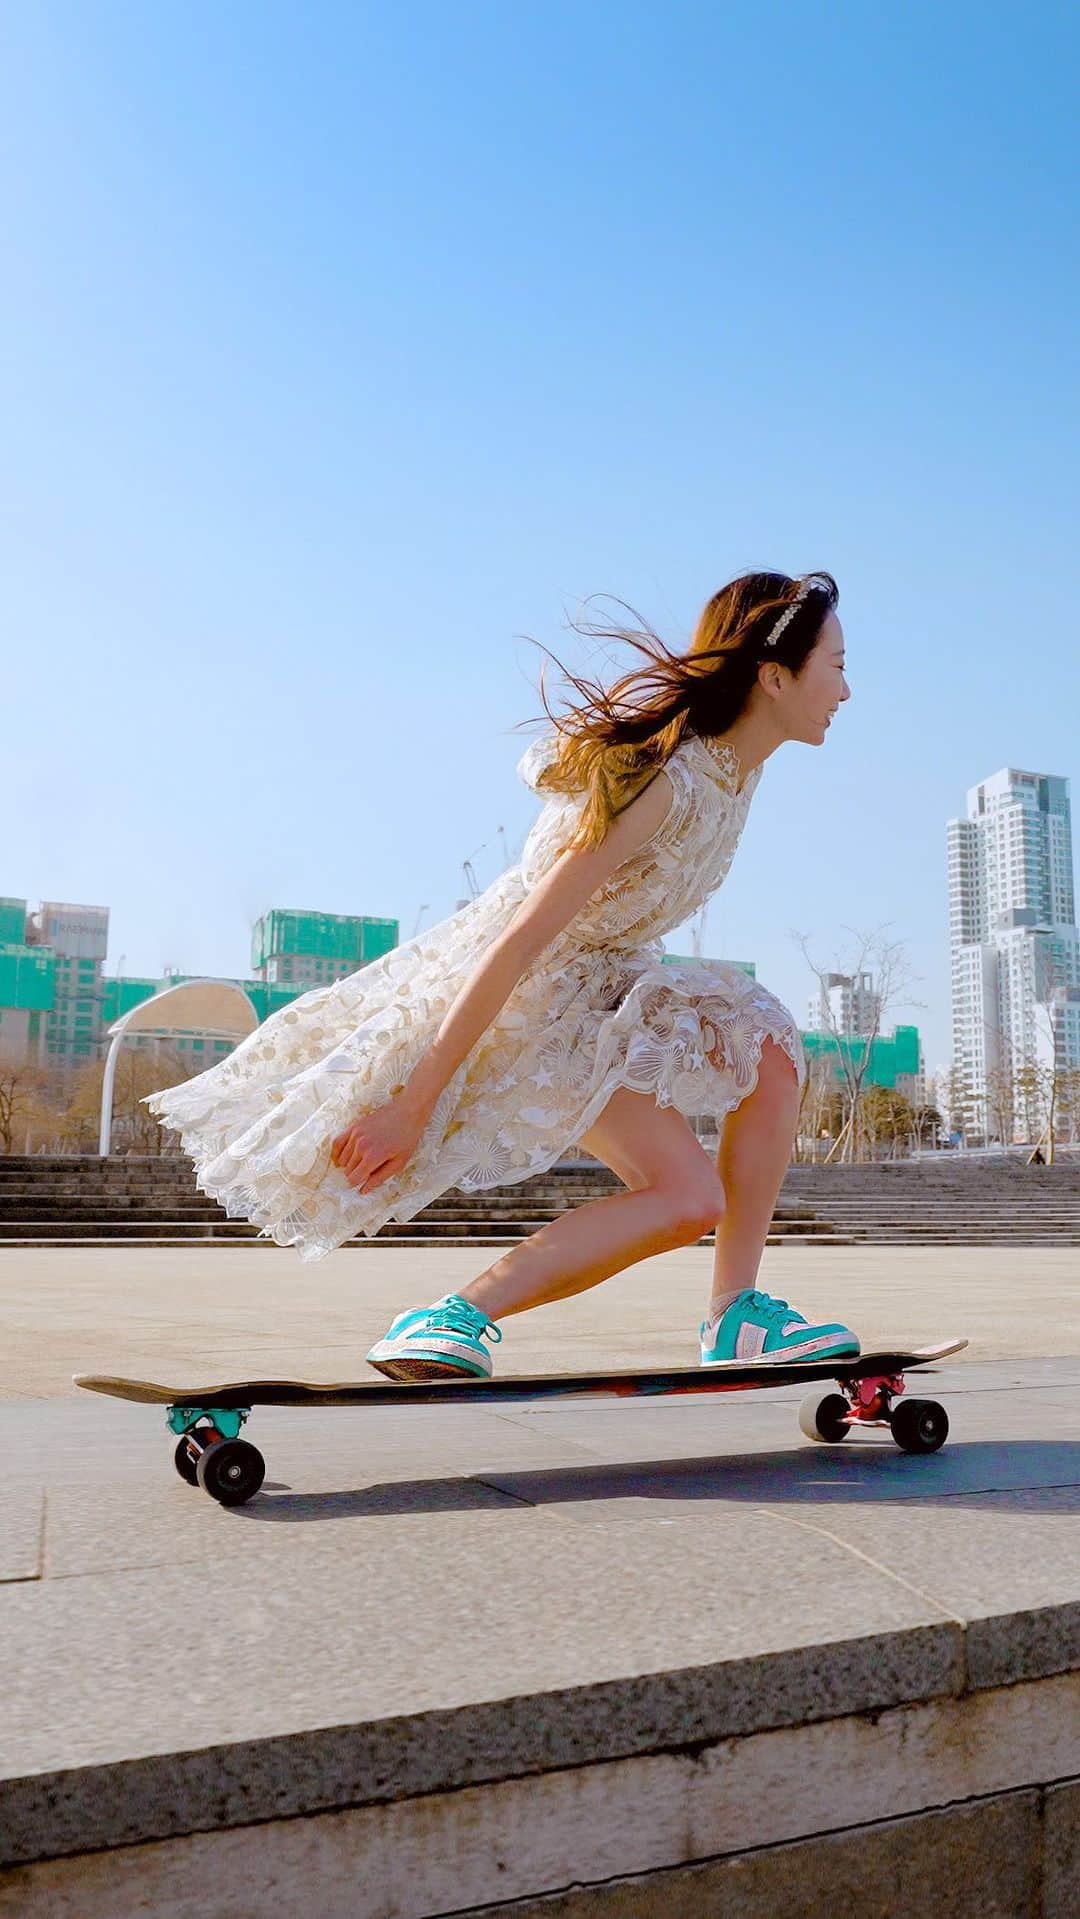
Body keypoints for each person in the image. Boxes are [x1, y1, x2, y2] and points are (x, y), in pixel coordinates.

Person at [143, 569, 857, 1381]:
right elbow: (520, 941)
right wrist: (413, 1106)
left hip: (610, 986)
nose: (845, 687)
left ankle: (736, 1316)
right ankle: (450, 1316)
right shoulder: (667, 782)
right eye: (834, 664)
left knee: (766, 1047)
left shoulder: (740, 770)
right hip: (535, 1001)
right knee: (689, 1195)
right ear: (774, 675)